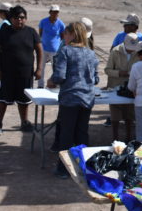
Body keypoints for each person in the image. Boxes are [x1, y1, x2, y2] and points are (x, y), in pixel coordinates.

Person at [47, 22, 99, 179]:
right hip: (87, 99)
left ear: (72, 34)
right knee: (82, 133)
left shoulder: (66, 51)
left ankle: (63, 169)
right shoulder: (91, 53)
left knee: (66, 134)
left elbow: (60, 76)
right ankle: (84, 168)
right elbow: (96, 79)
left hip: (70, 98)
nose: (64, 36)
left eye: (66, 33)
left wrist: (52, 80)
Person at [0, 5, 43, 134]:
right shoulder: (3, 32)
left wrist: (39, 68)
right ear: (11, 19)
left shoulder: (31, 32)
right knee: (2, 100)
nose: (20, 20)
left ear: (26, 18)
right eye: (16, 18)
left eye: (22, 17)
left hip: (25, 73)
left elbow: (39, 50)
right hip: (6, 73)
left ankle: (24, 122)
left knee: (24, 100)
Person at [105, 33, 140, 142]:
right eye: (129, 48)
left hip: (131, 89)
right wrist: (120, 73)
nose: (131, 51)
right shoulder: (115, 51)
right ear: (124, 43)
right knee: (115, 117)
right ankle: (115, 140)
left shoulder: (138, 52)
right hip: (115, 88)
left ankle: (128, 138)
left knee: (129, 116)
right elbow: (107, 70)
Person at [38, 4, 65, 88]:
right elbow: (40, 33)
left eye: (57, 12)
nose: (55, 14)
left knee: (56, 68)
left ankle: (55, 84)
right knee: (41, 67)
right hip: (44, 49)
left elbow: (62, 36)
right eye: (54, 12)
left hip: (55, 50)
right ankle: (40, 85)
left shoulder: (60, 24)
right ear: (50, 12)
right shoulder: (43, 21)